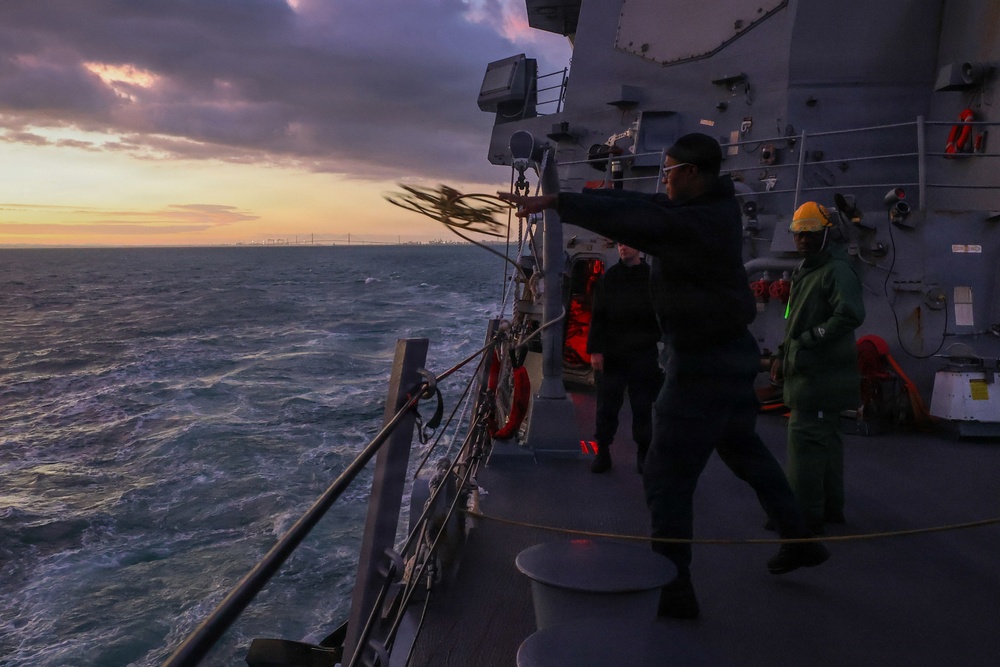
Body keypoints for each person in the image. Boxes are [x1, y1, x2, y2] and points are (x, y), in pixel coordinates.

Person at [499, 132, 829, 620]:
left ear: (693, 173)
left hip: (701, 366)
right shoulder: (712, 208)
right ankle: (798, 536)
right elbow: (646, 203)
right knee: (745, 450)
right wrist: (565, 199)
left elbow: (648, 218)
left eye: (670, 169)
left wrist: (558, 203)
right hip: (729, 358)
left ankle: (674, 588)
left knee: (666, 476)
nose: (665, 178)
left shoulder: (701, 223)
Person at [770, 202, 866, 533]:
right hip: (809, 371)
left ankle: (804, 516)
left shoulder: (836, 271)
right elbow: (791, 317)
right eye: (799, 234)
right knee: (826, 440)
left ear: (826, 233)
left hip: (819, 375)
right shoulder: (806, 271)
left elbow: (850, 313)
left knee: (806, 441)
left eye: (811, 234)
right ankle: (829, 508)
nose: (804, 240)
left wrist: (811, 339)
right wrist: (783, 354)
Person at [587, 242, 662, 474]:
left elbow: (664, 311)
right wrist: (596, 350)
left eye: (628, 244)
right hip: (614, 353)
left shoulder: (652, 278)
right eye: (620, 244)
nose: (623, 248)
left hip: (643, 353)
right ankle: (603, 452)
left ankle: (643, 453)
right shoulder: (610, 278)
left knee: (642, 407)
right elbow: (598, 315)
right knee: (607, 406)